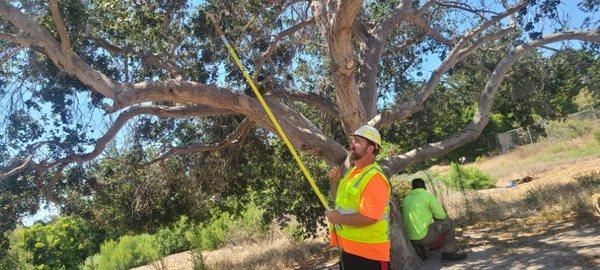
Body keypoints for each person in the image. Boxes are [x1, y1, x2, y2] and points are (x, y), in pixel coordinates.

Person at [325, 125, 390, 270]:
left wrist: (338, 219)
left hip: (369, 255)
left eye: (358, 141)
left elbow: (369, 218)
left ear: (371, 148)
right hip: (349, 250)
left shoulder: (374, 178)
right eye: (353, 140)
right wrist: (335, 183)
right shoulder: (352, 173)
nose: (352, 144)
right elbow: (339, 199)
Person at [402, 178, 466, 261]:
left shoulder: (406, 199)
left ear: (412, 188)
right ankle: (448, 253)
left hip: (411, 239)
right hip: (423, 238)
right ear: (424, 187)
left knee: (429, 228)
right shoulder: (427, 195)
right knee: (449, 222)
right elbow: (441, 215)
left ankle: (422, 250)